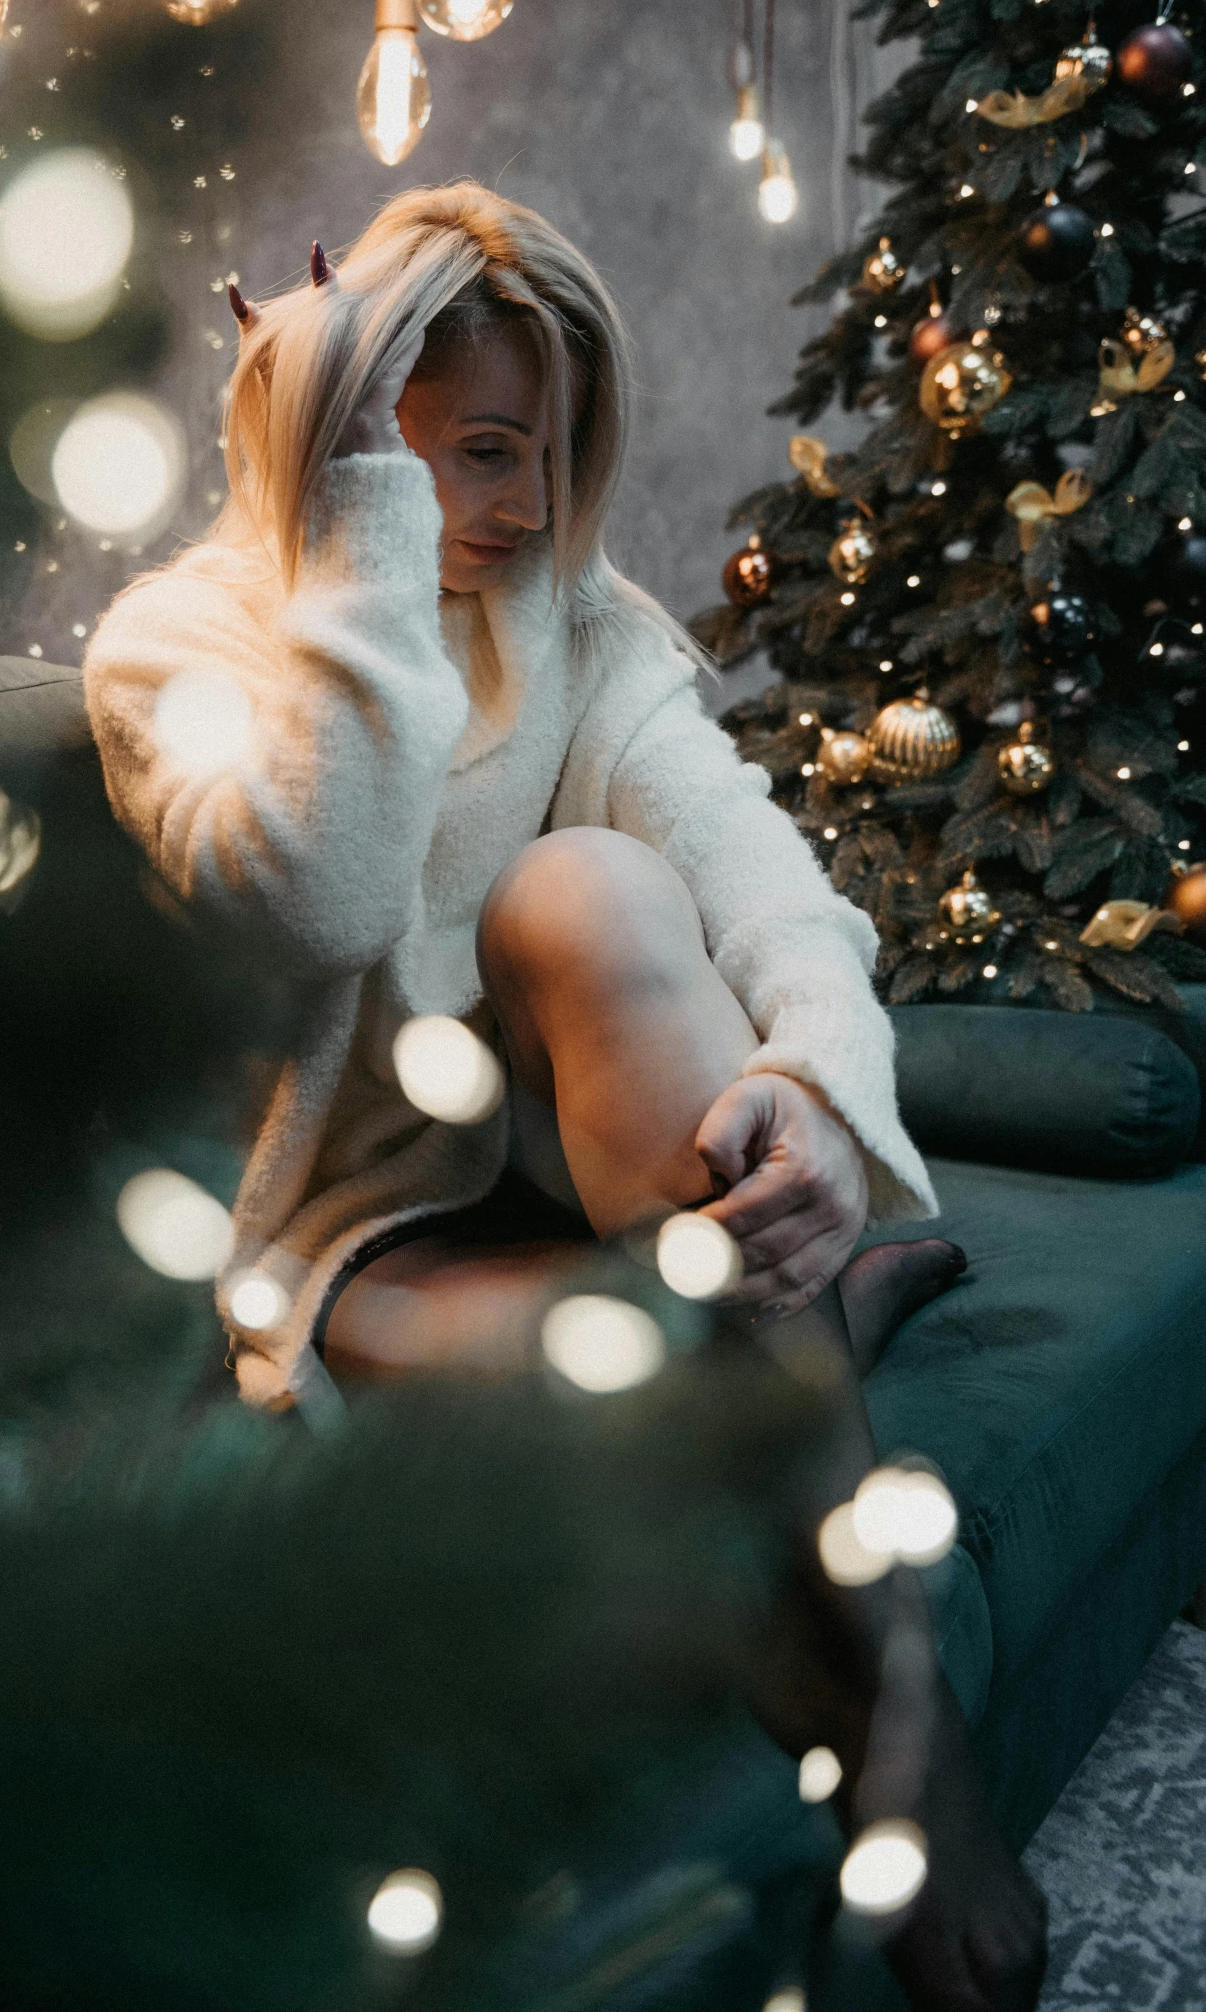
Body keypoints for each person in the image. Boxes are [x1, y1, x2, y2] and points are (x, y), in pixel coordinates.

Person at [84, 183, 1046, 2011]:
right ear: (349, 438)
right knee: (702, 1361)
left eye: (557, 451)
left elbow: (768, 881)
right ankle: (827, 1373)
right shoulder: (178, 651)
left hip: (583, 1165)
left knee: (592, 885)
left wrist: (819, 1108)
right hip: (360, 1249)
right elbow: (322, 894)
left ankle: (899, 1701)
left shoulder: (577, 631)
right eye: (479, 453)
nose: (524, 507)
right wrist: (360, 518)